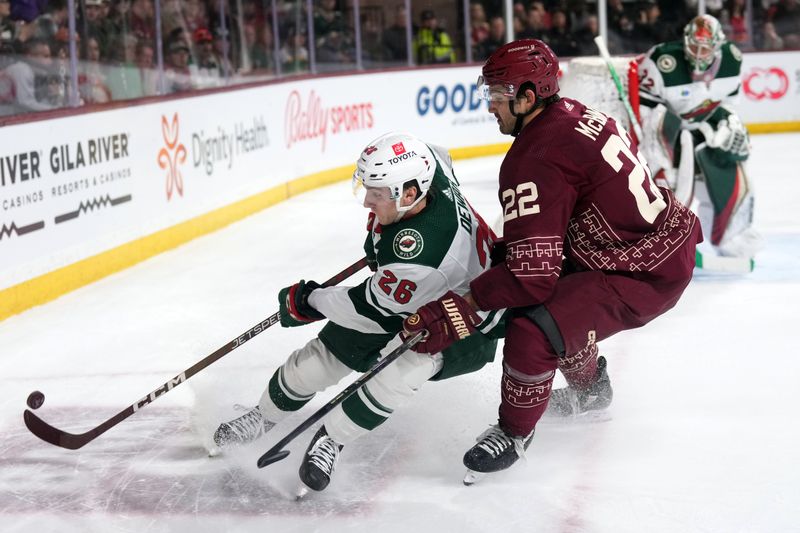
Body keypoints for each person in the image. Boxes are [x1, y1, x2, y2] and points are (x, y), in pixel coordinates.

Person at [401, 39, 702, 483]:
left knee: (534, 324)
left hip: (639, 269)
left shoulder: (532, 158)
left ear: (527, 97)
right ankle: (592, 388)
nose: (490, 107)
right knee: (553, 302)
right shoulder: (574, 112)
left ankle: (514, 432)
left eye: (497, 96)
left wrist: (460, 307)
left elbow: (530, 278)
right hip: (649, 241)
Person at [212, 132, 504, 495]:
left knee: (396, 374)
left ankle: (330, 440)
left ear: (409, 194)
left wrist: (308, 301)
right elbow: (438, 153)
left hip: (467, 321)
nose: (367, 201)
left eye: (377, 193)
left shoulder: (418, 254)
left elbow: (361, 306)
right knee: (318, 362)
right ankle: (263, 416)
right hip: (413, 292)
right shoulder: (427, 167)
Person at [637, 14, 761, 261]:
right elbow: (647, 115)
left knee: (732, 175)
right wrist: (657, 154)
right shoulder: (662, 60)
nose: (699, 53)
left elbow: (725, 105)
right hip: (669, 135)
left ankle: (729, 237)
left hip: (705, 133)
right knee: (669, 188)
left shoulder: (731, 59)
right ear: (685, 41)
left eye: (706, 47)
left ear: (718, 45)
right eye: (694, 45)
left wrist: (728, 124)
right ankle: (664, 241)